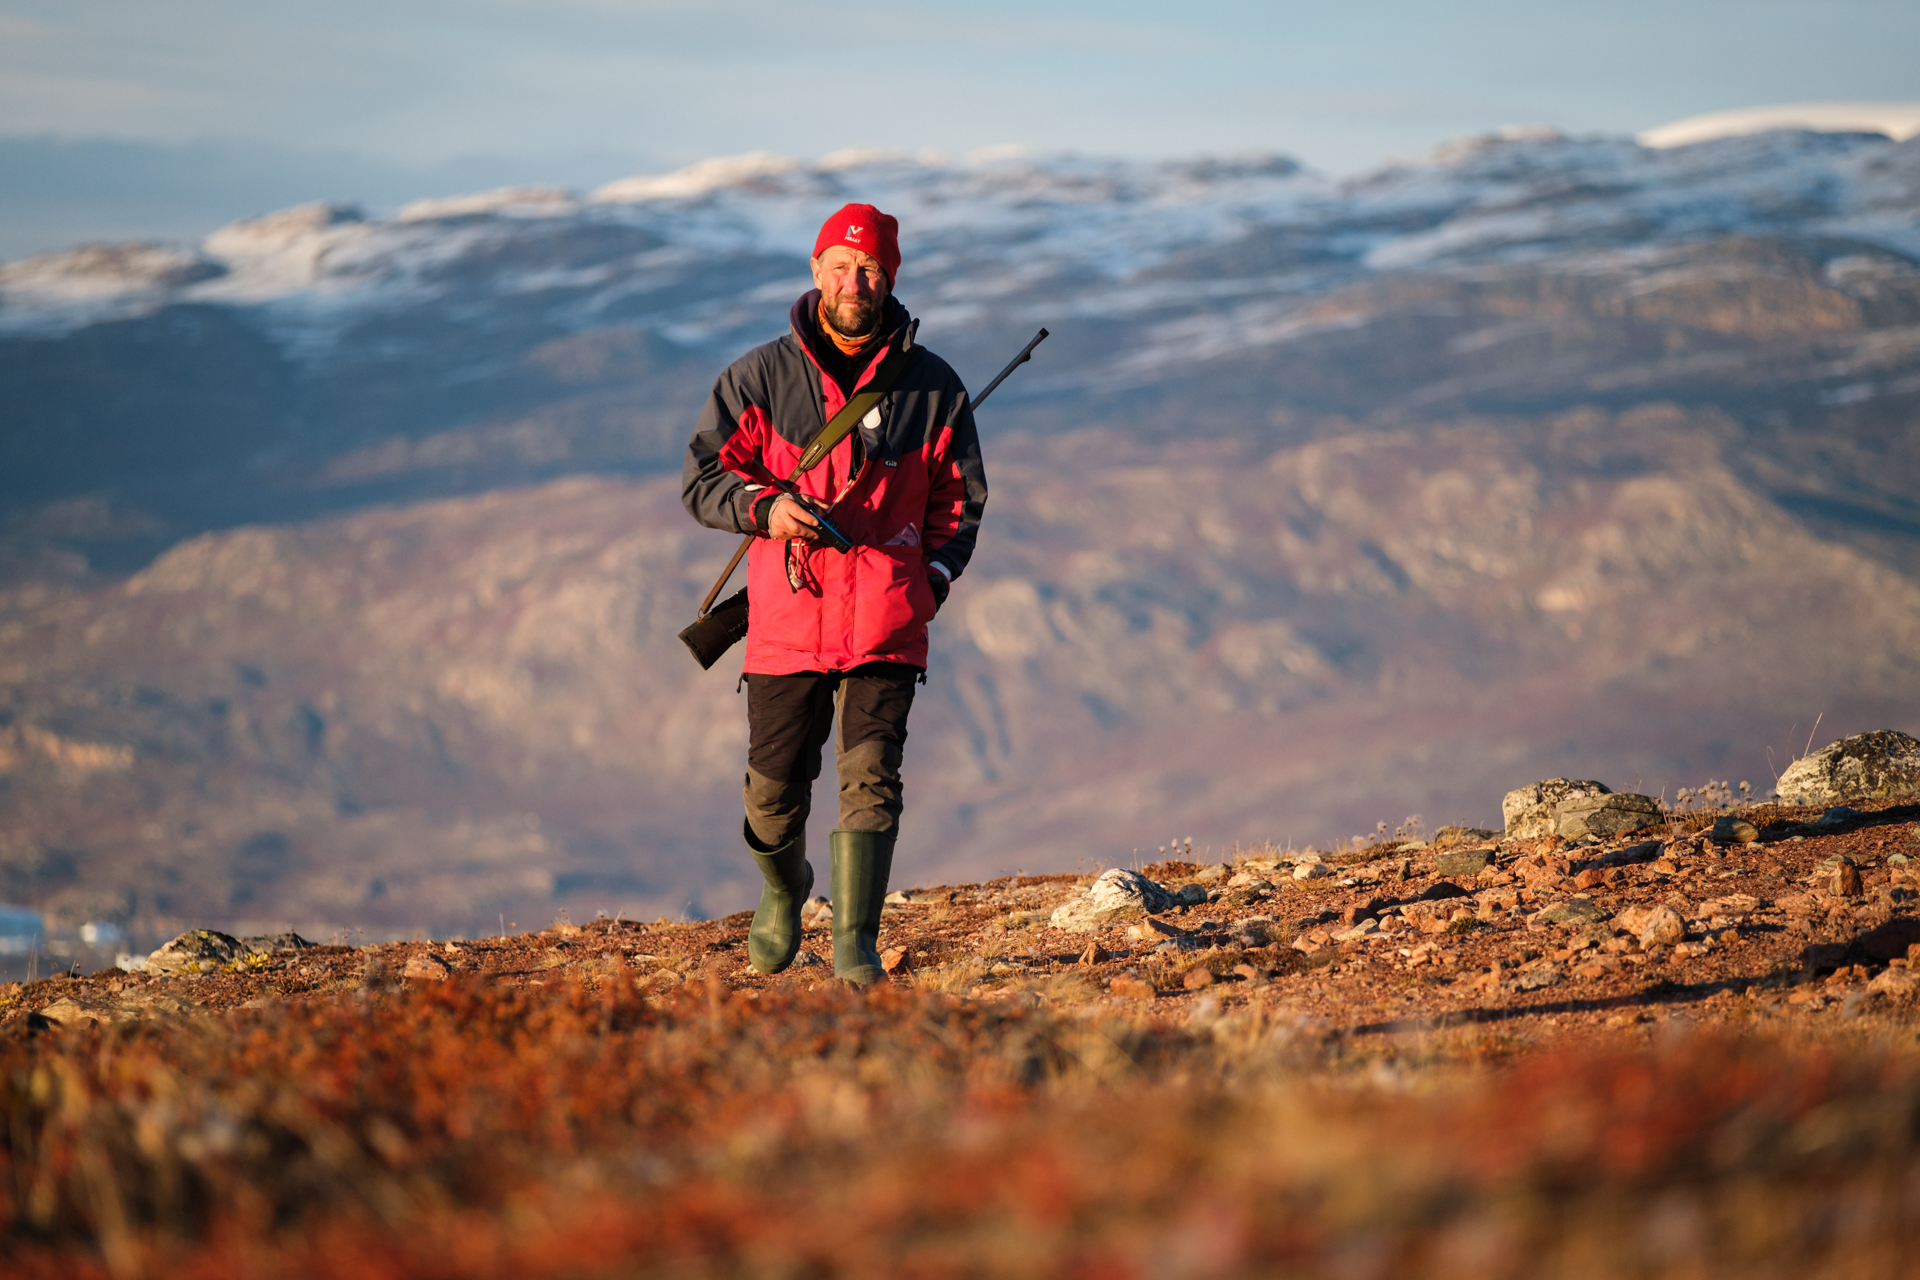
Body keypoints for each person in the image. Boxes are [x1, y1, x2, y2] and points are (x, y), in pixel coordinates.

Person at [682, 203, 987, 985]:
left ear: (891, 277)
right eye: (843, 266)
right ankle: (784, 888)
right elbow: (704, 478)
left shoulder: (934, 386)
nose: (857, 281)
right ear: (817, 270)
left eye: (873, 268)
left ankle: (855, 944)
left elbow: (959, 499)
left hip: (887, 617)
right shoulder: (756, 378)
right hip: (787, 619)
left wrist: (931, 583)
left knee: (872, 778)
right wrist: (765, 509)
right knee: (772, 792)